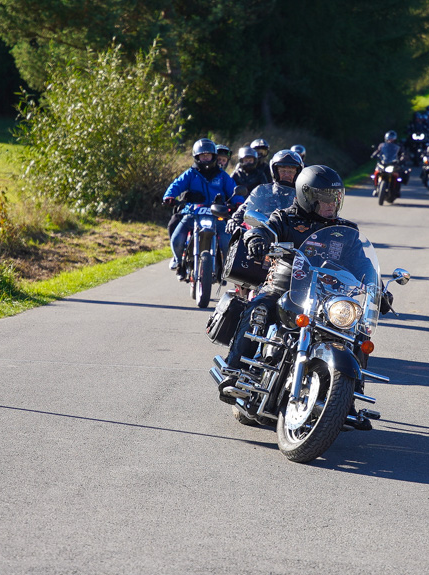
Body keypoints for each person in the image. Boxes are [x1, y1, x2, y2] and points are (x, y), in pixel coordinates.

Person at [217, 166, 393, 419]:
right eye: (325, 198)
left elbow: (363, 263)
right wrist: (257, 238)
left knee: (355, 331)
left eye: (336, 198)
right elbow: (265, 229)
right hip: (284, 286)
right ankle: (234, 372)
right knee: (259, 308)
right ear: (307, 196)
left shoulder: (346, 229)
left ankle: (348, 399)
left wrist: (379, 288)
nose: (332, 204)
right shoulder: (286, 218)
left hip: (327, 296)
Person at [162, 138, 243, 276]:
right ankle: (179, 261)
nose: (205, 158)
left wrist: (239, 202)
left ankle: (225, 266)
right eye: (202, 155)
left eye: (208, 155)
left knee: (226, 239)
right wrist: (169, 196)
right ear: (197, 157)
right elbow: (176, 185)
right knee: (177, 238)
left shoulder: (222, 176)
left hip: (217, 214)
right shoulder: (190, 173)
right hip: (192, 212)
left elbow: (233, 189)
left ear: (214, 156)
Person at [226, 149, 303, 233]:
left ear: (297, 173)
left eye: (291, 171)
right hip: (265, 234)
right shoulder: (263, 191)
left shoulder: (303, 195)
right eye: (283, 171)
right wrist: (234, 220)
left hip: (294, 236)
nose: (286, 174)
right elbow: (246, 207)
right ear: (275, 171)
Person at [371, 130, 406, 196]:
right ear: (386, 138)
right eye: (389, 138)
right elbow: (378, 151)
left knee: (398, 176)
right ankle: (376, 188)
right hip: (383, 162)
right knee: (376, 172)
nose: (390, 139)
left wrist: (402, 158)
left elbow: (403, 153)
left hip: (393, 163)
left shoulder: (398, 146)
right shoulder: (382, 145)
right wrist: (374, 155)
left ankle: (397, 190)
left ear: (395, 138)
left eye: (392, 138)